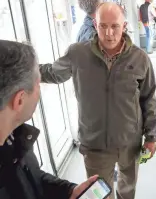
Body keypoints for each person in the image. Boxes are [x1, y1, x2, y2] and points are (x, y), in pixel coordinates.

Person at [39, 2, 156, 199]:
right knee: (99, 195)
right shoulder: (78, 54)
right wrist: (24, 70)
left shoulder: (139, 58)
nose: (109, 33)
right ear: (95, 24)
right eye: (103, 26)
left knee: (128, 190)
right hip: (94, 143)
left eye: (115, 26)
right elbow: (54, 73)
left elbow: (148, 99)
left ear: (125, 26)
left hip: (129, 141)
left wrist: (151, 137)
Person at [0, 40, 103, 199]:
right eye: (38, 84)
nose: (39, 92)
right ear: (19, 100)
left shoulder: (13, 137)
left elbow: (32, 178)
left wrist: (69, 192)